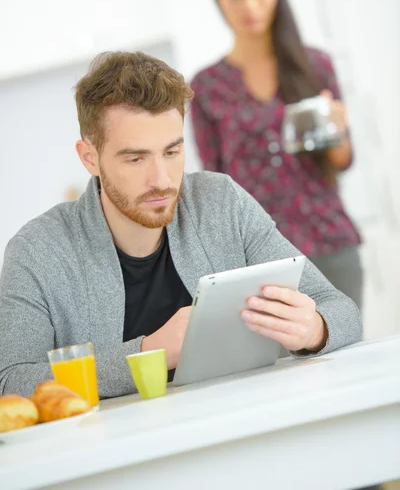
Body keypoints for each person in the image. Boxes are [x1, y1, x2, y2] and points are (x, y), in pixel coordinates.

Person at [0, 51, 362, 400]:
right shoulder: (37, 251)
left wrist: (315, 328)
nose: (161, 179)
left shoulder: (220, 202)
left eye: (171, 152)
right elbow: (11, 381)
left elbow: (341, 310)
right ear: (89, 157)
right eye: (136, 158)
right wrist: (148, 353)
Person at [191, 0, 363, 311]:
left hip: (330, 242)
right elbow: (216, 187)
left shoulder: (315, 65)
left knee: (349, 359)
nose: (249, 6)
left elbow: (343, 160)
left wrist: (337, 131)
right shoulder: (206, 88)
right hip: (260, 264)